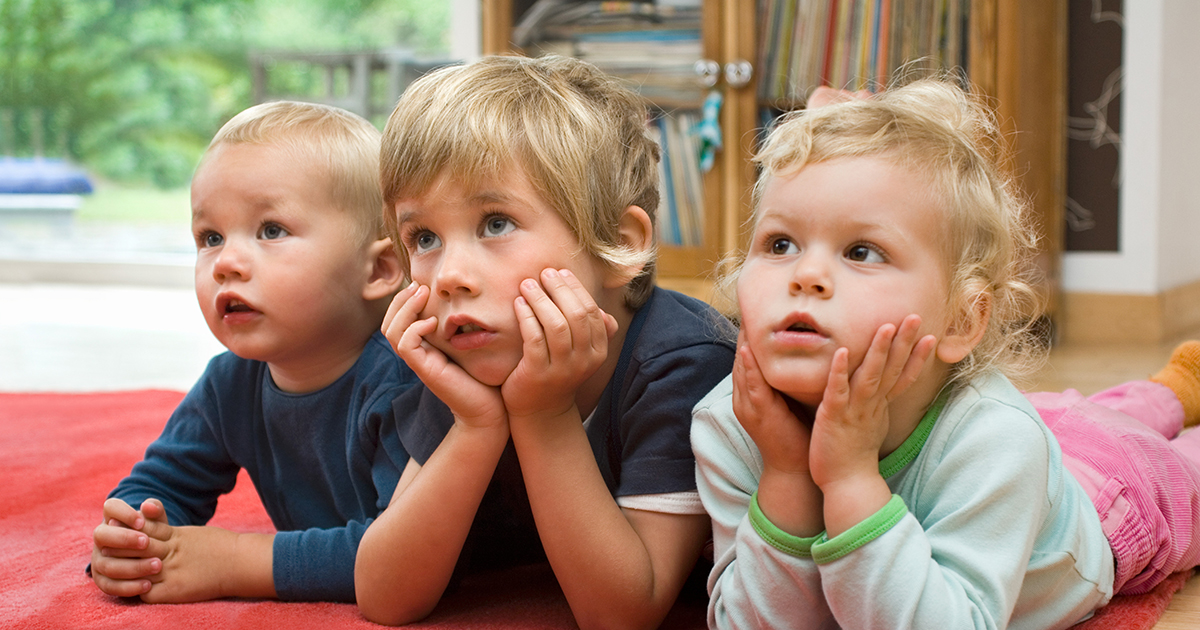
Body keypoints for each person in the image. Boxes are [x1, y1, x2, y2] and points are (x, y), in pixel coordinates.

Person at [690, 77, 1200, 629]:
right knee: (1072, 418)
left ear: (961, 319)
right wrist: (787, 476)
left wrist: (850, 479)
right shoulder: (731, 422)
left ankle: (1177, 391)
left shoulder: (997, 440)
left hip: (1110, 494)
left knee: (1140, 450)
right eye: (780, 244)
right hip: (1036, 434)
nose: (806, 275)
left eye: (861, 251)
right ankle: (1170, 389)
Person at [353, 54, 736, 629]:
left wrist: (543, 414)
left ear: (618, 243)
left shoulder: (683, 362)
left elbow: (624, 613)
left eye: (496, 223)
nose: (449, 275)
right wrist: (476, 425)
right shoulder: (467, 349)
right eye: (424, 236)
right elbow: (384, 598)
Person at [88, 101, 415, 604]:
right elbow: (164, 484)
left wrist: (235, 561)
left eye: (270, 230)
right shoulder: (231, 382)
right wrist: (135, 536)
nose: (227, 263)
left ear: (377, 270)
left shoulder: (407, 382)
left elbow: (404, 555)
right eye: (210, 237)